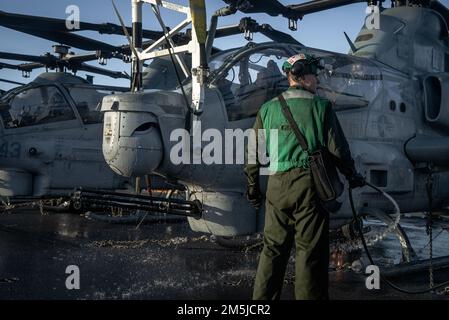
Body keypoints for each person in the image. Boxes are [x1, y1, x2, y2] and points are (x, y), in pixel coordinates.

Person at [244, 53, 365, 300]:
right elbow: (338, 149)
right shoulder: (321, 106)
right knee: (309, 254)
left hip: (277, 186)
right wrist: (351, 175)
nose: (317, 80)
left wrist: (253, 188)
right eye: (314, 75)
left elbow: (253, 153)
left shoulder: (267, 109)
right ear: (303, 76)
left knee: (272, 252)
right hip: (310, 187)